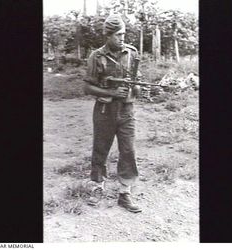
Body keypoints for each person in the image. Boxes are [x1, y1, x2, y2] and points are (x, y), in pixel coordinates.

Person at [83, 13, 142, 213]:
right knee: (101, 149)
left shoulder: (132, 53)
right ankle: (97, 186)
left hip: (126, 111)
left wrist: (135, 89)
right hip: (104, 110)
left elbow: (137, 83)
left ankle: (125, 192)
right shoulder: (96, 56)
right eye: (118, 35)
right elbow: (87, 87)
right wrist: (110, 92)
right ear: (108, 36)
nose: (122, 38)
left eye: (124, 34)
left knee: (128, 150)